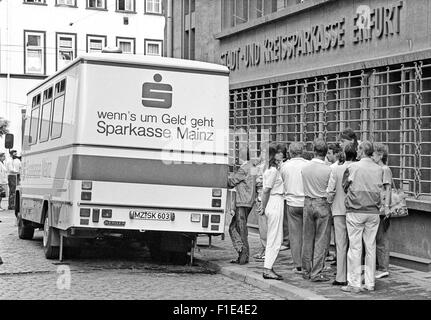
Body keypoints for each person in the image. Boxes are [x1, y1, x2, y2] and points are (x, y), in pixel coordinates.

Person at [341, 141, 387, 293]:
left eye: (358, 149)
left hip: (355, 210)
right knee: (370, 247)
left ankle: (354, 283)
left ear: (361, 151)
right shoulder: (379, 168)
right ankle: (370, 282)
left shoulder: (353, 167)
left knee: (355, 247)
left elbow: (344, 185)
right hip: (373, 211)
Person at [301, 139, 332, 282]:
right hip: (322, 202)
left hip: (307, 202)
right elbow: (330, 190)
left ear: (314, 151)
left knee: (307, 238)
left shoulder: (305, 167)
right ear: (325, 153)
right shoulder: (328, 169)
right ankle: (316, 272)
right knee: (321, 239)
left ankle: (306, 270)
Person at [326, 143, 357, 286]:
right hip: (355, 210)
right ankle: (354, 276)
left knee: (341, 244)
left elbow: (330, 190)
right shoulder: (358, 168)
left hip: (338, 209)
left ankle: (341, 276)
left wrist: (329, 202)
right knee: (355, 245)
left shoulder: (337, 169)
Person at [280, 142, 309, 275]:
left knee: (294, 235)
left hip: (291, 202)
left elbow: (281, 182)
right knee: (307, 234)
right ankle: (307, 263)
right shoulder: (308, 164)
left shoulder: (285, 166)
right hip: (306, 201)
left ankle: (297, 264)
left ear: (290, 153)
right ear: (302, 151)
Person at [228, 151, 258, 265]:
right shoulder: (253, 167)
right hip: (249, 201)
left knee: (235, 228)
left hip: (242, 201)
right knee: (240, 228)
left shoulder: (243, 169)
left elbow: (231, 182)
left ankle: (242, 253)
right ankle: (242, 255)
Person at [260, 143, 285, 280]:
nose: (282, 154)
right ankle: (268, 268)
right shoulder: (273, 171)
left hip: (274, 201)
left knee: (274, 236)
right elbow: (267, 190)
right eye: (279, 152)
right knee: (275, 238)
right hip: (275, 201)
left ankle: (269, 266)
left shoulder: (271, 169)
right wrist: (263, 206)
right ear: (273, 155)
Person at [373, 143, 392, 280]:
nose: (371, 156)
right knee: (377, 237)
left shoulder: (384, 169)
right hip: (376, 207)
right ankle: (379, 266)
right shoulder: (376, 168)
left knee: (381, 238)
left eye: (373, 154)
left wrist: (386, 206)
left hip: (382, 208)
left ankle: (383, 267)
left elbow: (388, 188)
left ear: (380, 155)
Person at [253, 152, 268, 261]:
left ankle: (266, 249)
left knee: (263, 226)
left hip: (261, 197)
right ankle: (265, 249)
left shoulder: (259, 167)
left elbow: (253, 181)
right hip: (269, 199)